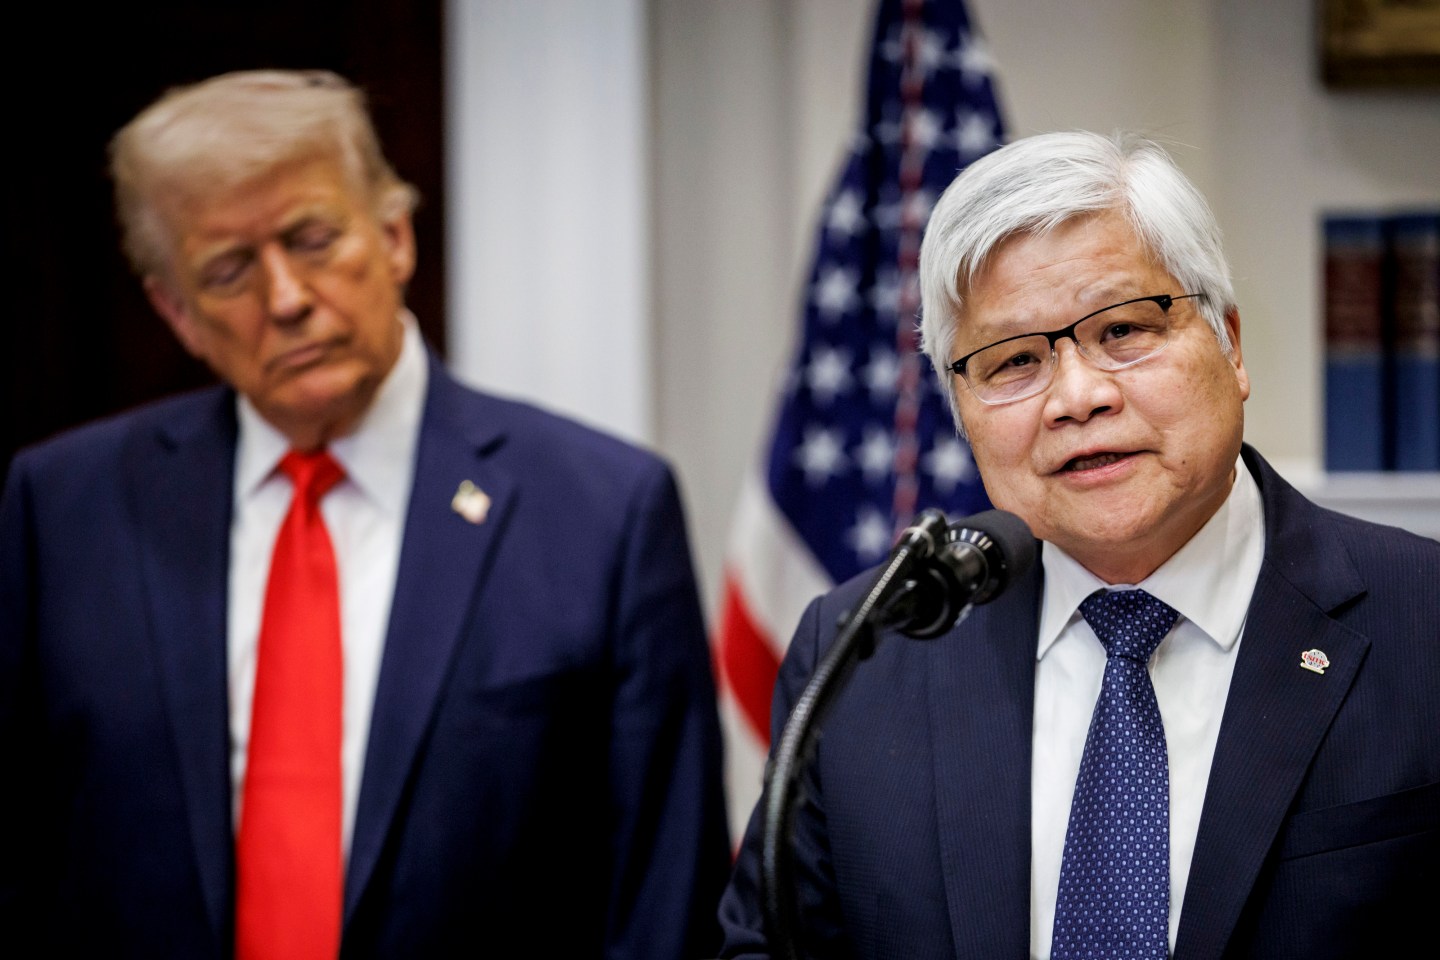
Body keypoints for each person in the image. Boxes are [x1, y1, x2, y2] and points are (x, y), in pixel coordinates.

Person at [0, 69, 729, 958]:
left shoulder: (601, 512)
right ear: (177, 312)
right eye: (228, 271)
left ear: (394, 237)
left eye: (313, 240)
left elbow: (663, 904)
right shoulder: (65, 510)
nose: (286, 299)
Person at [718, 131, 1440, 959]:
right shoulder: (864, 651)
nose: (1078, 396)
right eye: (1013, 361)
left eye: (1123, 329)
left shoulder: (1423, 622)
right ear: (962, 411)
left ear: (1231, 345)